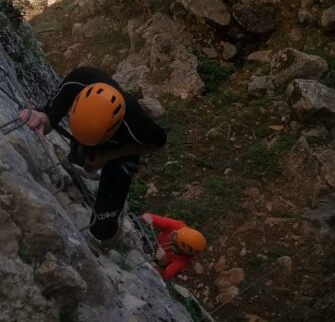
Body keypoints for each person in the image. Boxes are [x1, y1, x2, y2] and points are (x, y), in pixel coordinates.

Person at [19, 66, 166, 249]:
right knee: (80, 155)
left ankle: (111, 226)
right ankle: (82, 156)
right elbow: (50, 117)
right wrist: (41, 117)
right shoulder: (78, 81)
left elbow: (158, 144)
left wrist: (108, 155)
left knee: (102, 233)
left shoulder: (137, 124)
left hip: (120, 147)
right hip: (90, 132)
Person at [141, 212, 207, 281]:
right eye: (179, 231)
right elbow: (148, 216)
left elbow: (165, 276)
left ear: (181, 247)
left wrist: (162, 263)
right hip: (150, 242)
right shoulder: (178, 226)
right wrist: (147, 218)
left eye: (176, 236)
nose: (174, 232)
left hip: (153, 260)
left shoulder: (183, 260)